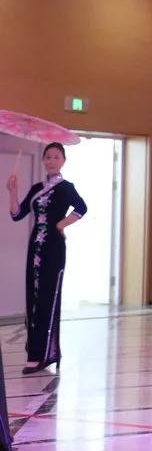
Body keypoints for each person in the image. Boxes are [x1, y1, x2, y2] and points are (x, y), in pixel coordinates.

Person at [7, 142, 86, 374]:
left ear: (63, 161)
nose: (51, 161)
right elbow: (17, 214)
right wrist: (12, 191)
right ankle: (37, 352)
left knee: (47, 298)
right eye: (48, 157)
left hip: (54, 249)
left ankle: (43, 354)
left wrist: (61, 224)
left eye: (56, 157)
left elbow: (81, 208)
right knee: (32, 297)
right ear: (43, 160)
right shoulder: (36, 188)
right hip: (35, 249)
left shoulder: (66, 188)